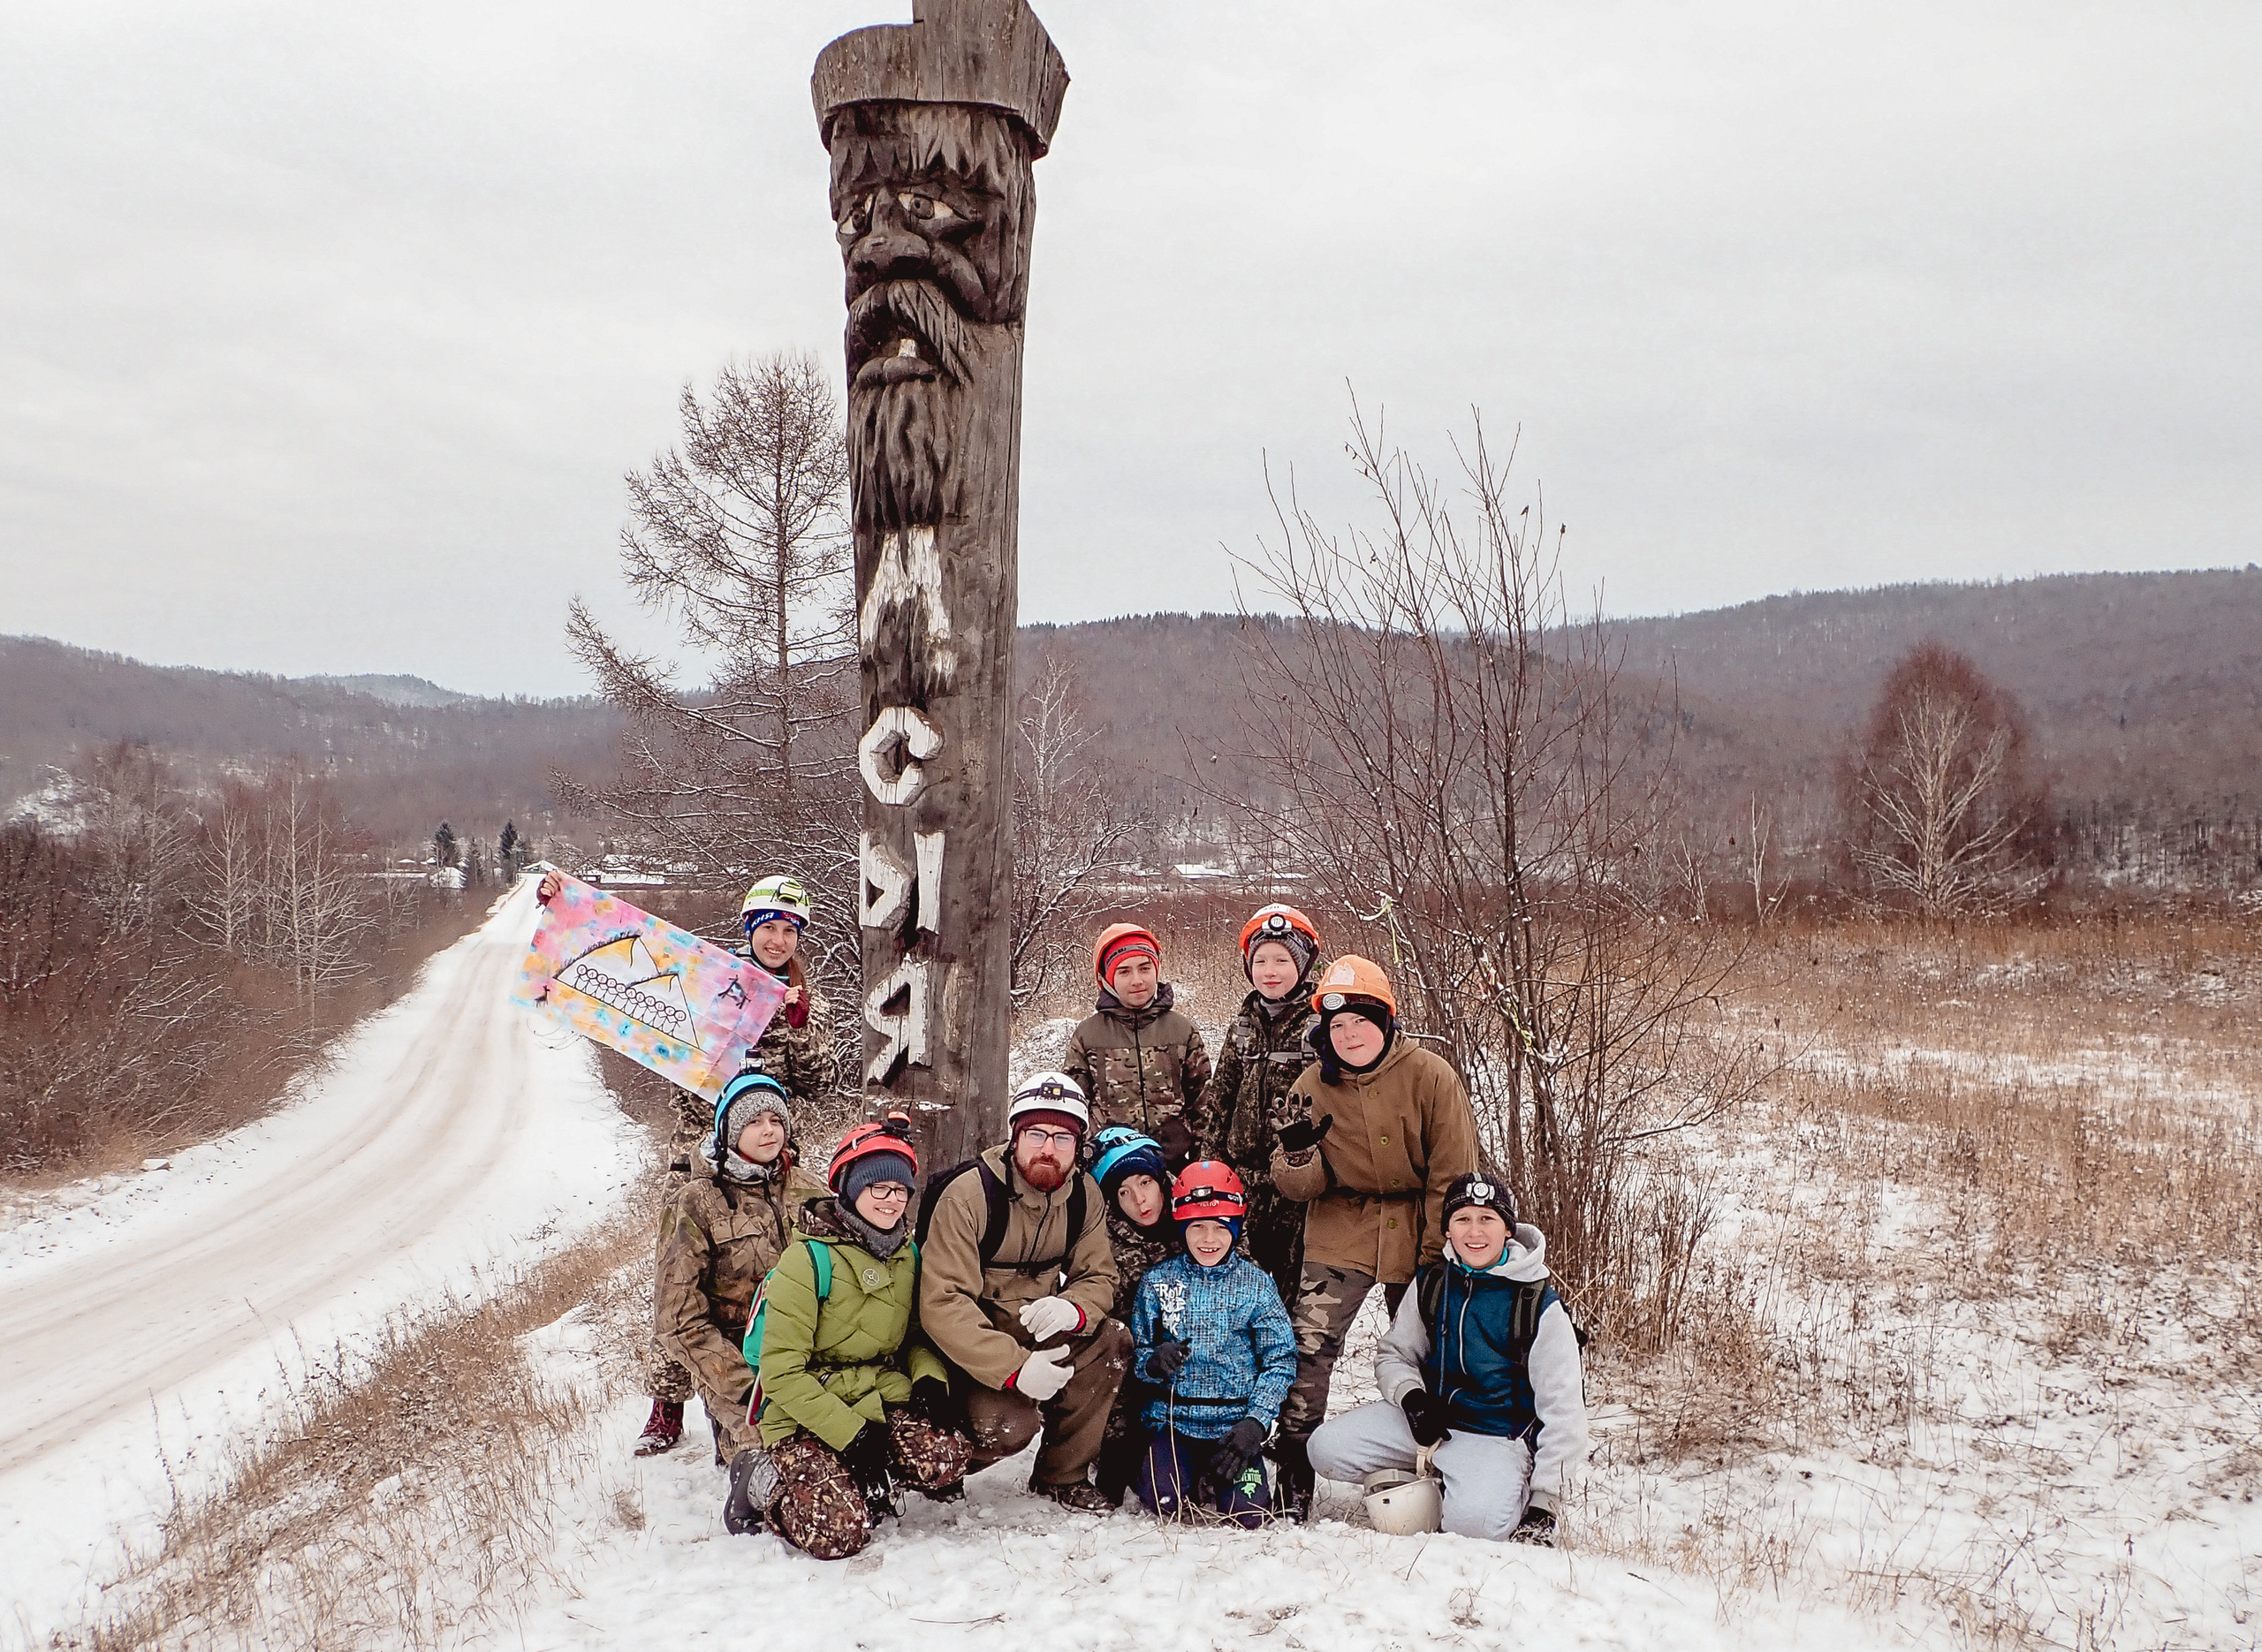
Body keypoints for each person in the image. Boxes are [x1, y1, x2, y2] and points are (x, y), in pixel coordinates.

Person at [537, 867, 841, 1458]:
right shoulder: (704, 984)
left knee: (773, 1280)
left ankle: (772, 1381)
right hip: (696, 1160)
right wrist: (566, 904)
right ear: (748, 929)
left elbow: (820, 1085)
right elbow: (624, 970)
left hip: (774, 1166)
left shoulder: (806, 1003)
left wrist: (802, 1030)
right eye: (767, 928)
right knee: (679, 1284)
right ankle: (666, 1406)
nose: (777, 940)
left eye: (789, 931)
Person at [1267, 955, 1479, 1520]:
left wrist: (1439, 1259)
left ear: (1385, 1021)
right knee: (1308, 1350)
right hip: (1343, 1227)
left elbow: (1452, 1176)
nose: (1350, 1034)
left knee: (1433, 1352)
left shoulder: (1430, 1075)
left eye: (1361, 1021)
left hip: (1419, 1229)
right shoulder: (1311, 1083)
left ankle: (1444, 1468)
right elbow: (1298, 1187)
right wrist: (1297, 1153)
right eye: (1337, 1026)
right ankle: (1292, 1474)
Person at [1308, 1173, 1589, 1543]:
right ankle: (1436, 1477)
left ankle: (1496, 1486)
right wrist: (1412, 1398)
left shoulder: (1538, 1305)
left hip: (1494, 1436)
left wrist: (1546, 1501)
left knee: (1475, 1527)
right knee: (1325, 1449)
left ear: (1507, 1229)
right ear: (1448, 1231)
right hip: (1431, 1424)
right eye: (1463, 1220)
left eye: (1487, 1219)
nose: (1475, 1232)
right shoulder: (1433, 1282)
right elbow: (1396, 1354)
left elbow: (1564, 1413)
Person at [742, 1122, 974, 1557]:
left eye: (901, 1190)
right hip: (801, 1410)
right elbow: (780, 1374)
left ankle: (851, 1478)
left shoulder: (908, 1255)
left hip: (875, 1391)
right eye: (878, 1188)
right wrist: (851, 1435)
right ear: (849, 1188)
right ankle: (759, 1482)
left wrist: (928, 1378)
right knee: (839, 1534)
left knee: (948, 1457)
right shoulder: (806, 1260)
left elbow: (916, 1338)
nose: (892, 1201)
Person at [916, 1072, 1129, 1511]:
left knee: (1113, 1342)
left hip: (1038, 1329)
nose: (1048, 1149)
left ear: (1079, 1147)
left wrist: (1075, 1310)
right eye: (1036, 1134)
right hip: (970, 1351)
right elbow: (943, 1303)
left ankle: (1062, 1474)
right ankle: (937, 1465)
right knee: (1007, 1426)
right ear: (1015, 1137)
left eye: (1063, 1138)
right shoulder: (969, 1196)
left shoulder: (1084, 1196)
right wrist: (1015, 1368)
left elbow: (1099, 1276)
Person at [652, 1068, 826, 1470]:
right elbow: (677, 1320)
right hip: (742, 1369)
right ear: (729, 1130)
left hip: (814, 1356)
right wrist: (746, 1386)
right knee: (786, 1467)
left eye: (776, 1120)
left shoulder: (809, 1187)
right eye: (753, 1121)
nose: (769, 1131)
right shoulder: (695, 1203)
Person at [1127, 1163, 1297, 1528]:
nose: (1209, 1239)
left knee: (1248, 1516)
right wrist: (1152, 1363)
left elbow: (1280, 1359)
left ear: (1236, 1229)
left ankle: (1221, 1480)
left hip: (1234, 1431)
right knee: (1163, 1502)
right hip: (1174, 1424)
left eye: (1221, 1227)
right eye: (1197, 1227)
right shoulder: (1158, 1282)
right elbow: (1138, 1350)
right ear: (1182, 1228)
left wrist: (1256, 1422)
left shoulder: (1256, 1286)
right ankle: (1180, 1474)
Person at [1193, 905, 1325, 1308]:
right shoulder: (1243, 1025)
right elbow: (1220, 1101)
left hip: (1296, 1192)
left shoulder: (1320, 1026)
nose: (1270, 970)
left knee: (1292, 1305)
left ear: (1301, 965)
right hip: (1242, 1185)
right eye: (1261, 960)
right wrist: (1209, 1167)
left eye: (1282, 960)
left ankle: (1289, 1370)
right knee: (1235, 1295)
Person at [1065, 923, 1213, 1167]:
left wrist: (1202, 1165)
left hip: (1174, 1164)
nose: (1137, 980)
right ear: (1106, 979)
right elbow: (1074, 1109)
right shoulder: (1088, 1035)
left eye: (1145, 969)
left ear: (1156, 970)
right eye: (1124, 972)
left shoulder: (1181, 1030)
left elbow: (1204, 1105)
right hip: (1109, 1166)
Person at [1089, 1126, 1177, 1504]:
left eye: (1145, 1183)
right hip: (1136, 1365)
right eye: (1124, 1192)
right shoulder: (1102, 1235)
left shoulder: (1201, 1214)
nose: (1140, 1200)